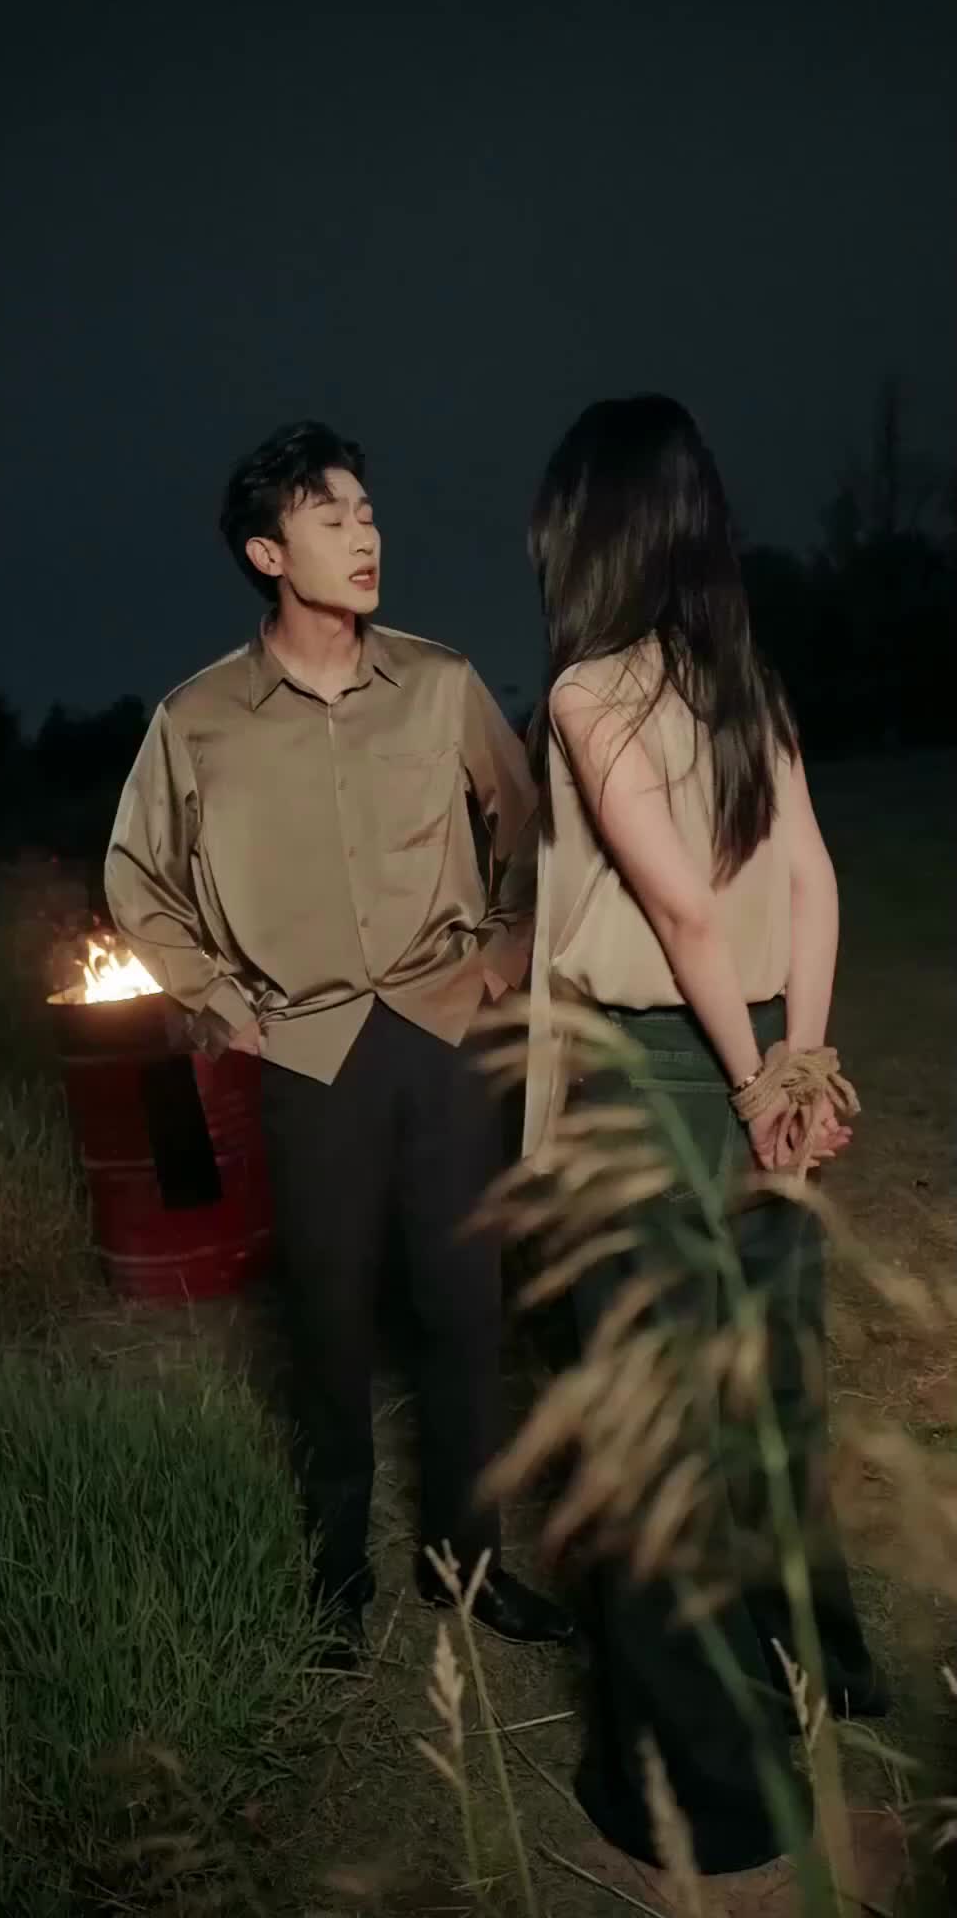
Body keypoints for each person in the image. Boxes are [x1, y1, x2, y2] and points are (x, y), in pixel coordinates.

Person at [106, 419, 573, 1662]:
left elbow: (533, 834)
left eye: (367, 512)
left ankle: (469, 1565)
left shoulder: (439, 684)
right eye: (331, 517)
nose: (366, 536)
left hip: (443, 1030)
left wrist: (504, 953)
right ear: (269, 553)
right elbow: (137, 879)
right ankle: (337, 1576)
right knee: (327, 1324)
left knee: (466, 1310)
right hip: (307, 1054)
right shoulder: (197, 718)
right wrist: (221, 1003)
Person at [521, 395, 884, 1882]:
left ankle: (707, 1796)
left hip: (666, 1081)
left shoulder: (587, 692)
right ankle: (821, 1667)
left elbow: (680, 912)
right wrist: (802, 1068)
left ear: (593, 527)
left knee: (665, 1429)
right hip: (764, 1054)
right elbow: (811, 880)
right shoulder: (744, 677)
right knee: (765, 1393)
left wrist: (756, 1094)